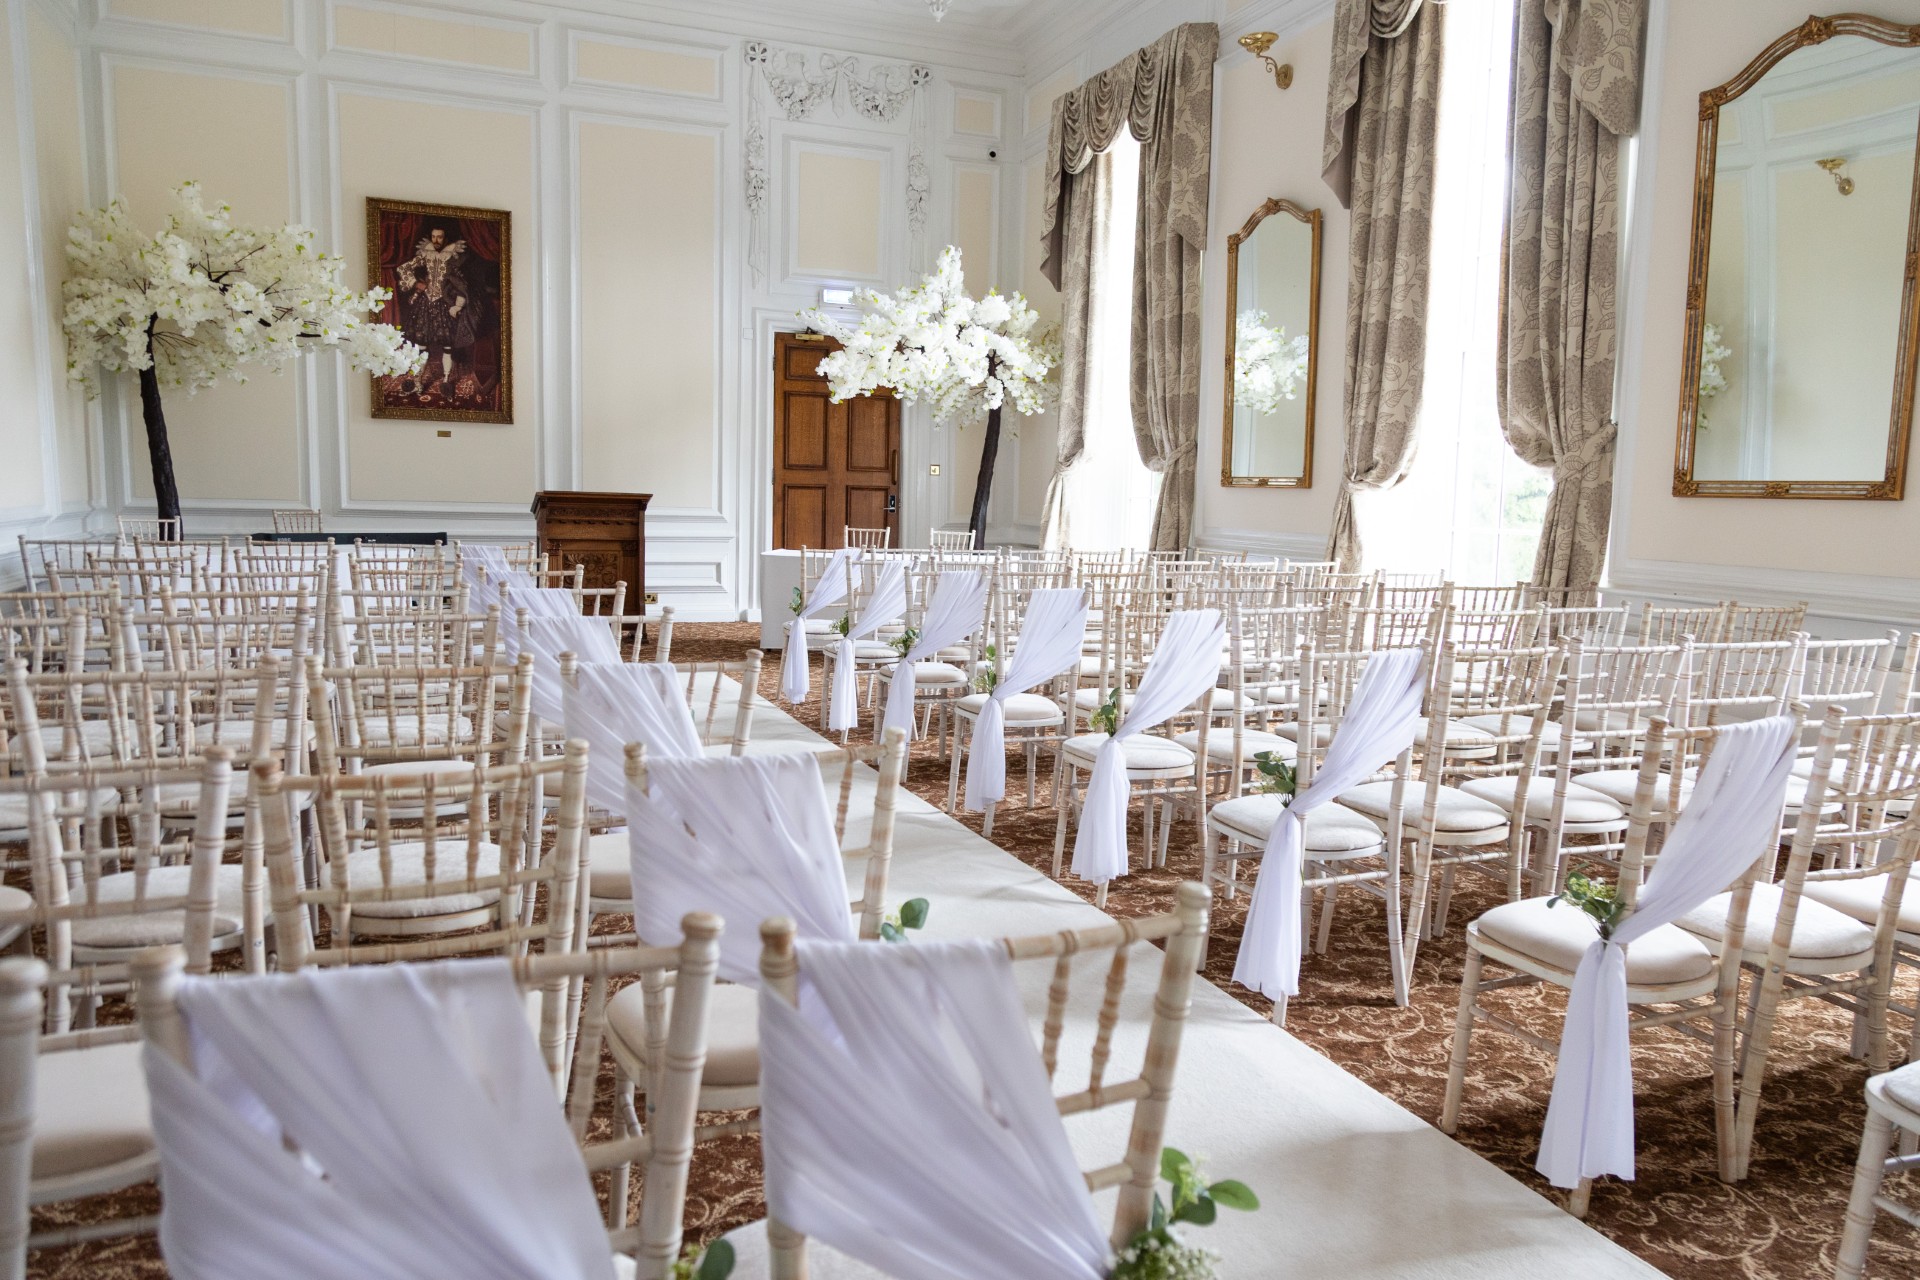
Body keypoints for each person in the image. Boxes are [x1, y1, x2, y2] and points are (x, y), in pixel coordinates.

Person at [394, 225, 474, 394]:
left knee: (447, 346)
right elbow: (403, 268)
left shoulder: (454, 257)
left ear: (445, 238)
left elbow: (462, 284)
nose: (436, 240)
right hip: (426, 303)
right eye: (434, 236)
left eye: (440, 237)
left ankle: (445, 380)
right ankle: (418, 380)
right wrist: (416, 283)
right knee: (421, 345)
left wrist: (457, 305)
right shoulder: (425, 254)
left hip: (444, 304)